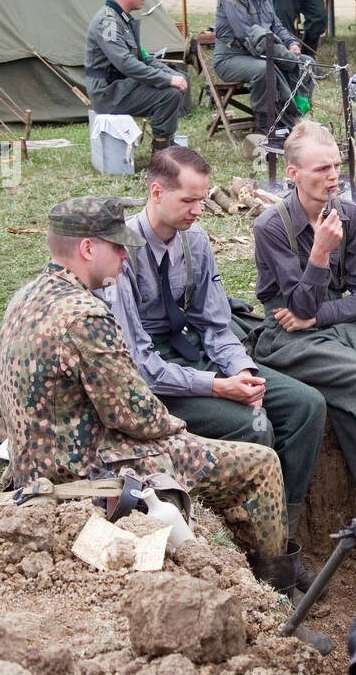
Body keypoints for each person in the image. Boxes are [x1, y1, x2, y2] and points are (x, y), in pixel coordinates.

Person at [0, 196, 291, 576]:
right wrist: (181, 431)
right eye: (117, 246)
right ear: (87, 249)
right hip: (86, 473)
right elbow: (136, 414)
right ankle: (276, 591)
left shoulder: (26, 296)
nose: (126, 255)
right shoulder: (85, 316)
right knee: (262, 464)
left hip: (39, 468)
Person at [103, 148, 327, 589]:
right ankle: (260, 554)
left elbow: (216, 325)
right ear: (156, 192)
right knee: (254, 427)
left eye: (203, 199)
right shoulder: (121, 251)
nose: (198, 210)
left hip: (197, 353)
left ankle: (285, 533)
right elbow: (141, 365)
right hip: (161, 375)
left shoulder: (196, 241)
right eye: (188, 200)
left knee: (308, 406)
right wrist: (218, 387)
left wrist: (243, 371)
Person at [252, 122, 356, 492]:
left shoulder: (349, 215)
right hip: (287, 339)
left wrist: (320, 316)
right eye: (321, 169)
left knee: (353, 406)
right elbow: (297, 308)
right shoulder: (271, 226)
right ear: (293, 174)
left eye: (335, 165)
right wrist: (319, 253)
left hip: (336, 328)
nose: (333, 176)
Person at [84, 0, 189, 153]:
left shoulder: (121, 19)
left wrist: (172, 74)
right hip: (109, 93)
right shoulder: (108, 22)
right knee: (169, 94)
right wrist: (167, 80)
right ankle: (162, 149)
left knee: (174, 85)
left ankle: (165, 142)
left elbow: (144, 58)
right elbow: (125, 63)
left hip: (122, 87)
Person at [212, 0, 312, 136]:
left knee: (307, 63)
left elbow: (276, 24)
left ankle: (292, 116)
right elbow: (249, 37)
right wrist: (285, 56)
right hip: (231, 57)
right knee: (265, 69)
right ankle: (266, 125)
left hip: (264, 52)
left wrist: (291, 44)